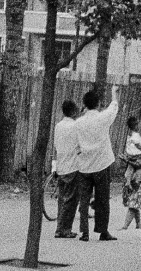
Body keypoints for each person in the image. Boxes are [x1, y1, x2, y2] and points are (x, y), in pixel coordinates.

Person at [74, 87, 120, 241]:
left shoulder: (78, 122)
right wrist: (114, 93)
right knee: (102, 198)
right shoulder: (102, 118)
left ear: (84, 104)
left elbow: (75, 144)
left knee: (84, 199)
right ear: (99, 103)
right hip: (102, 163)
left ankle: (83, 231)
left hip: (84, 165)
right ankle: (102, 230)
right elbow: (113, 108)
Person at [50, 100, 85, 238]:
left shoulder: (59, 126)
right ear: (74, 111)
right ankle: (64, 229)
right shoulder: (75, 126)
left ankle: (60, 226)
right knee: (71, 200)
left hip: (61, 166)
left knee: (62, 199)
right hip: (73, 166)